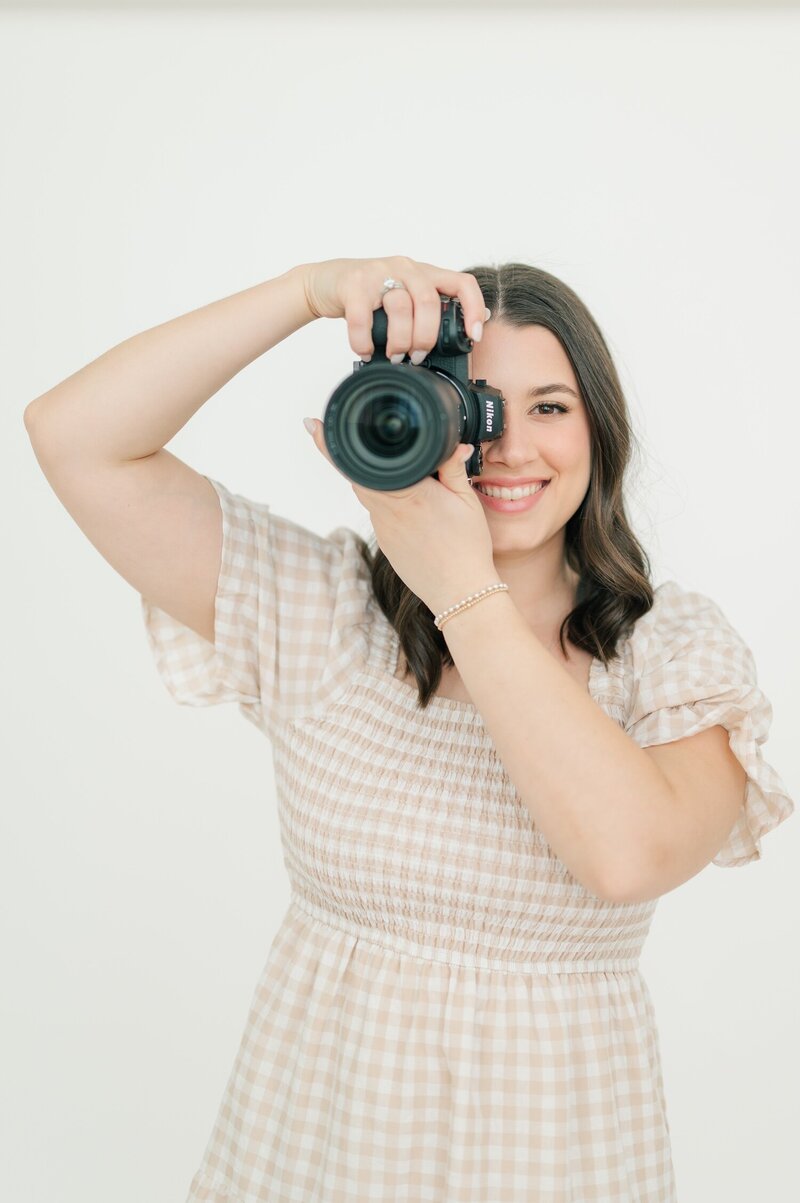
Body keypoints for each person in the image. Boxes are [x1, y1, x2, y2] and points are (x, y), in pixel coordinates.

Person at [24, 255, 795, 1202]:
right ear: (409, 411)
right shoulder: (326, 606)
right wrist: (310, 290)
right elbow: (75, 437)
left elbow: (629, 857)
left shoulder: (669, 650)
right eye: (475, 405)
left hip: (551, 1162)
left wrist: (464, 591)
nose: (507, 444)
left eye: (550, 406)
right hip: (310, 1157)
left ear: (601, 429)